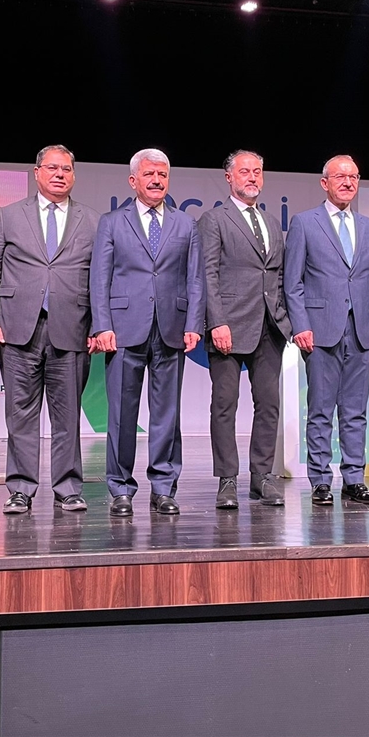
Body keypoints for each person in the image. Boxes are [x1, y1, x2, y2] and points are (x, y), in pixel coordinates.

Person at [0, 145, 98, 515]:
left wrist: (99, 326)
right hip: (17, 330)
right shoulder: (10, 215)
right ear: (37, 172)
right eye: (52, 168)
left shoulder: (92, 220)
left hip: (72, 328)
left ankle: (68, 488)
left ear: (74, 175)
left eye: (66, 169)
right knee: (20, 415)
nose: (59, 174)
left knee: (68, 416)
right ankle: (20, 489)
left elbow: (101, 280)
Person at [90, 149, 204, 517]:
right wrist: (102, 325)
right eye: (149, 174)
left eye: (162, 175)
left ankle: (164, 487)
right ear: (133, 180)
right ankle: (121, 488)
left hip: (171, 328)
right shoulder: (112, 222)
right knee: (122, 415)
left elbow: (195, 278)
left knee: (167, 414)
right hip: (124, 329)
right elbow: (100, 278)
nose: (157, 180)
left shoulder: (185, 224)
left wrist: (194, 323)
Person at [285, 155, 369, 507]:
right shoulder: (304, 223)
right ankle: (320, 480)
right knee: (320, 409)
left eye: (353, 177)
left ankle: (354, 480)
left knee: (355, 411)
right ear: (325, 183)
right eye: (340, 177)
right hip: (320, 331)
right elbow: (292, 282)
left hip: (361, 330)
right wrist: (300, 325)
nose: (347, 183)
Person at [198, 150, 291, 509]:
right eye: (244, 171)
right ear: (229, 178)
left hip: (270, 326)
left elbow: (277, 275)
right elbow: (208, 274)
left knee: (268, 404)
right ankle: (227, 480)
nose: (252, 177)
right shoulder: (214, 219)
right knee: (224, 405)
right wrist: (217, 321)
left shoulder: (271, 222)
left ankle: (261, 477)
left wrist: (285, 319)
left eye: (257, 172)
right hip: (230, 326)